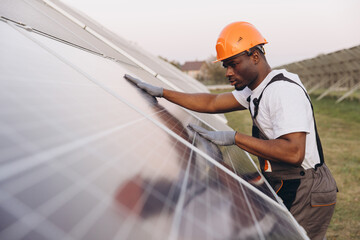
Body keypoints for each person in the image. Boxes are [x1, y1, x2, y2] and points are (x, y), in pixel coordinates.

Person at [124, 21, 337, 240]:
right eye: (226, 65)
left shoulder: (282, 91)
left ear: (255, 56)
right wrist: (161, 93)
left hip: (306, 187)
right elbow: (212, 102)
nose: (228, 72)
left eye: (233, 64)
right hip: (288, 181)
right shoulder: (256, 90)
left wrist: (234, 138)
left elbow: (293, 152)